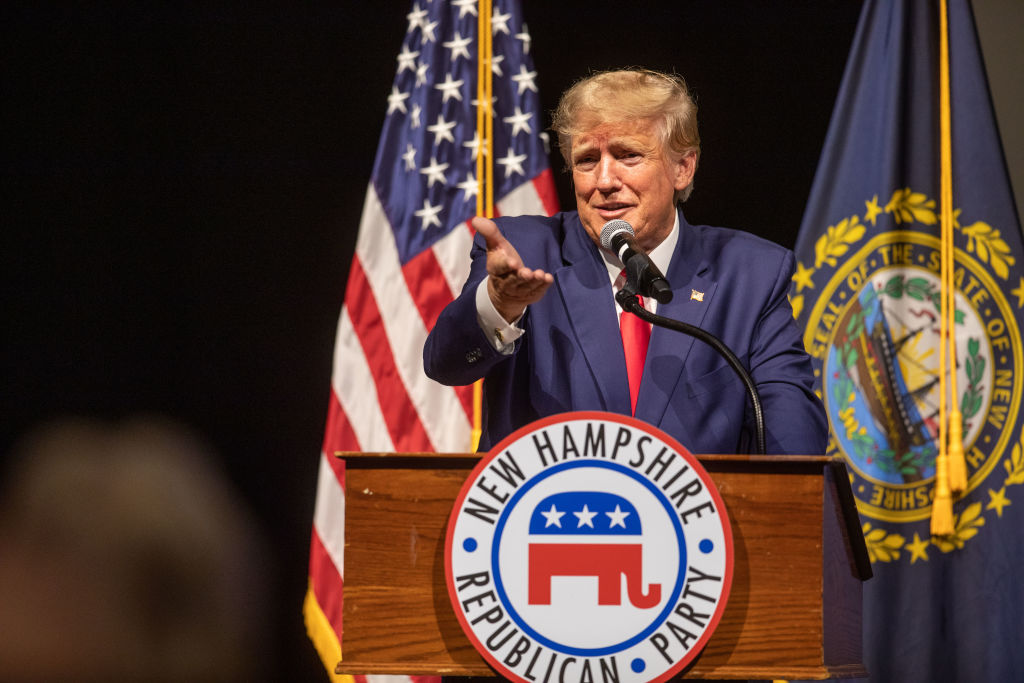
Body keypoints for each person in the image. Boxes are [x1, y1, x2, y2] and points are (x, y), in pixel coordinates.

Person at [424, 68, 827, 455]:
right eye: (586, 160)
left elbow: (794, 441)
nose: (603, 181)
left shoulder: (750, 275)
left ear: (683, 168)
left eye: (628, 155)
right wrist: (499, 305)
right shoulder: (526, 252)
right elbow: (447, 365)